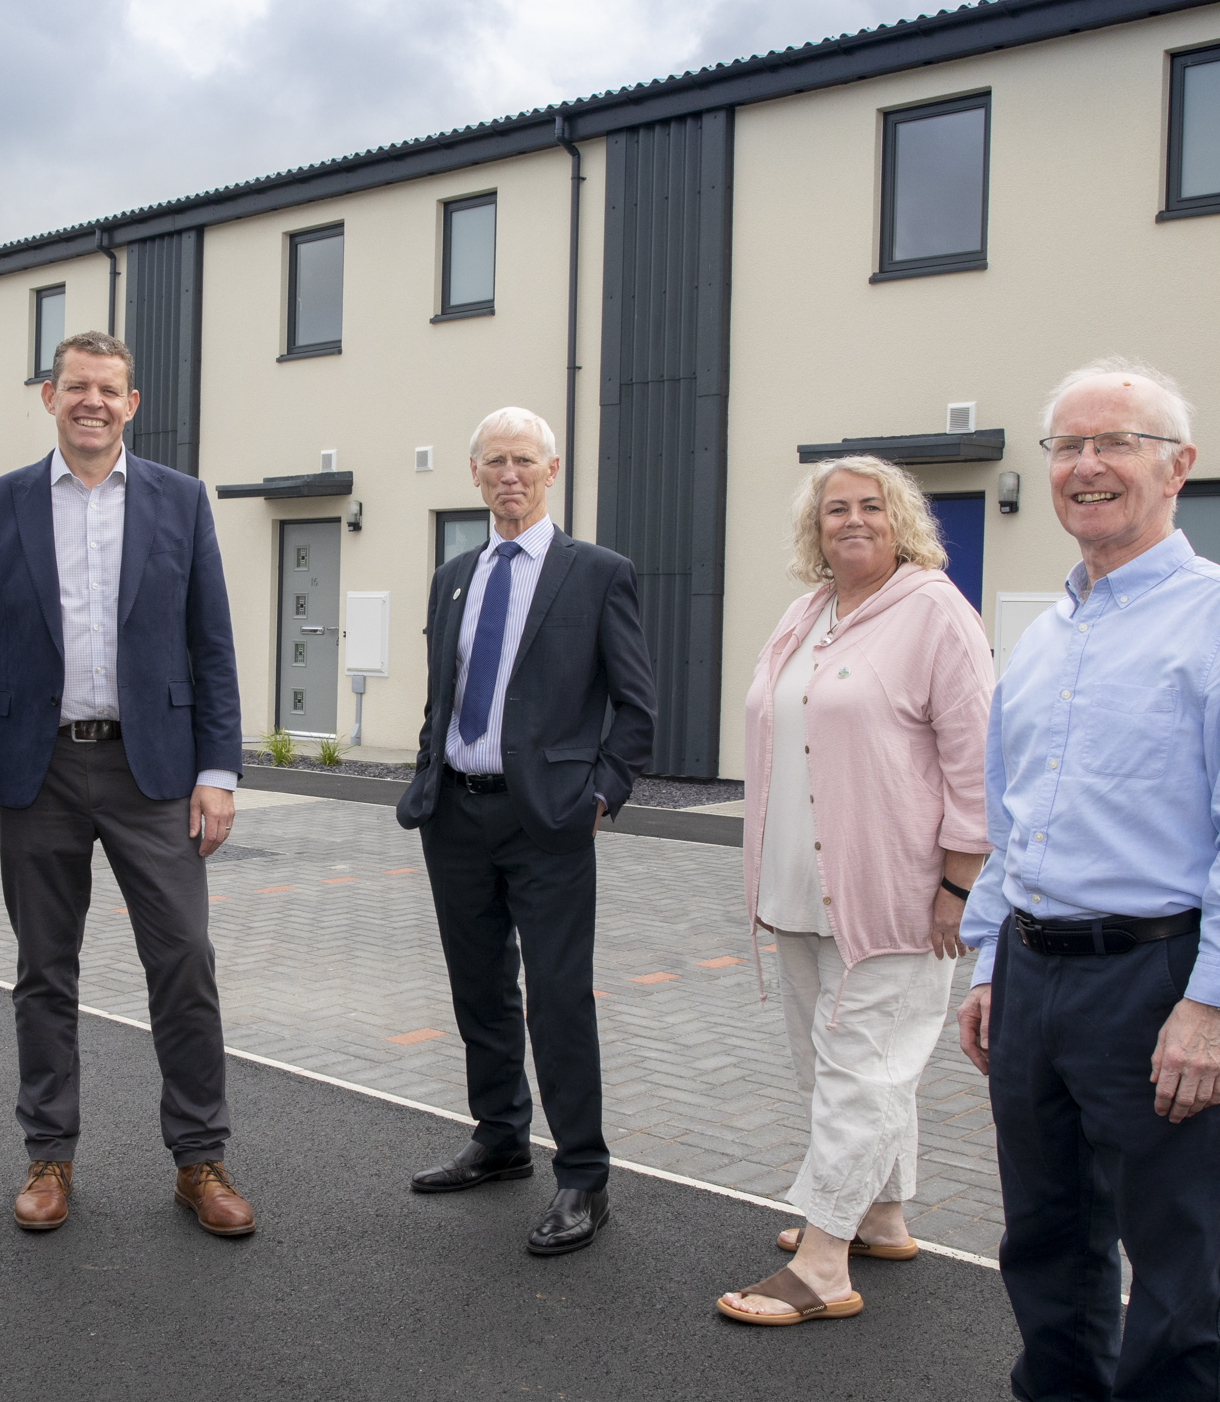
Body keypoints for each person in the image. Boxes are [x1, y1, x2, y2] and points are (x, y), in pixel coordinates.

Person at [935, 359, 1220, 1402]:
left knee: (1179, 1261)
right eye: (1064, 445)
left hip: (1161, 980)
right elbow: (1013, 816)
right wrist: (992, 958)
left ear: (1176, 466)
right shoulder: (1042, 637)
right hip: (1038, 974)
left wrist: (1216, 1001)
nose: (1085, 466)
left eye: (1116, 441)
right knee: (1044, 1235)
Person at [0, 331, 253, 1237]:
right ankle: (48, 1156)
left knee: (184, 961)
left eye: (108, 389)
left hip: (152, 773)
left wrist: (217, 772)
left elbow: (212, 646)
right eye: (76, 387)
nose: (92, 403)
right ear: (49, 397)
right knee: (44, 971)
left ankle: (200, 1161)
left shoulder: (180, 501)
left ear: (131, 402)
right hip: (35, 773)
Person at [714, 456, 992, 1327]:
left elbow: (979, 760)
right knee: (833, 1065)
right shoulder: (804, 613)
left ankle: (826, 1260)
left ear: (900, 519)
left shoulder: (936, 612)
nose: (852, 520)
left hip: (898, 894)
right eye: (835, 509)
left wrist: (959, 880)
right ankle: (878, 1215)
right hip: (798, 889)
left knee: (861, 1067)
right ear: (815, 528)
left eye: (871, 505)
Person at [398, 406, 657, 1256]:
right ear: (474, 474)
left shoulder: (597, 573)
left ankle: (582, 1173)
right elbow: (447, 692)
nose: (509, 475)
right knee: (478, 987)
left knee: (554, 995)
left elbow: (637, 707)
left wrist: (599, 796)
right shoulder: (453, 576)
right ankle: (500, 1135)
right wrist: (427, 769)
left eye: (524, 461)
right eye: (494, 461)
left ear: (550, 472)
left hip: (546, 822)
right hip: (456, 814)